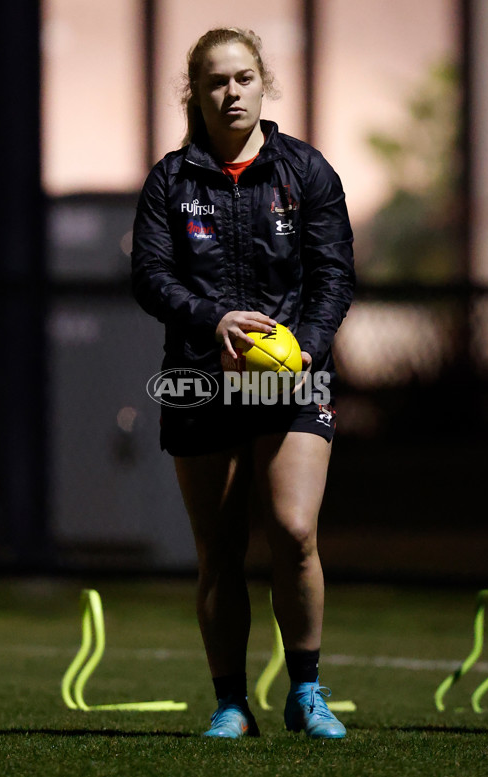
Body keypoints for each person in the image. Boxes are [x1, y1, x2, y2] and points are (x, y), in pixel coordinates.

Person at [131, 27, 355, 739]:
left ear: (264, 84)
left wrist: (301, 354)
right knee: (220, 550)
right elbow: (149, 278)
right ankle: (231, 702)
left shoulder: (307, 171)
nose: (232, 92)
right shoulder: (169, 180)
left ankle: (307, 691)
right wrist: (212, 317)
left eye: (244, 78)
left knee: (292, 530)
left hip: (290, 383)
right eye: (216, 81)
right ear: (193, 93)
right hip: (201, 381)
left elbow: (334, 276)